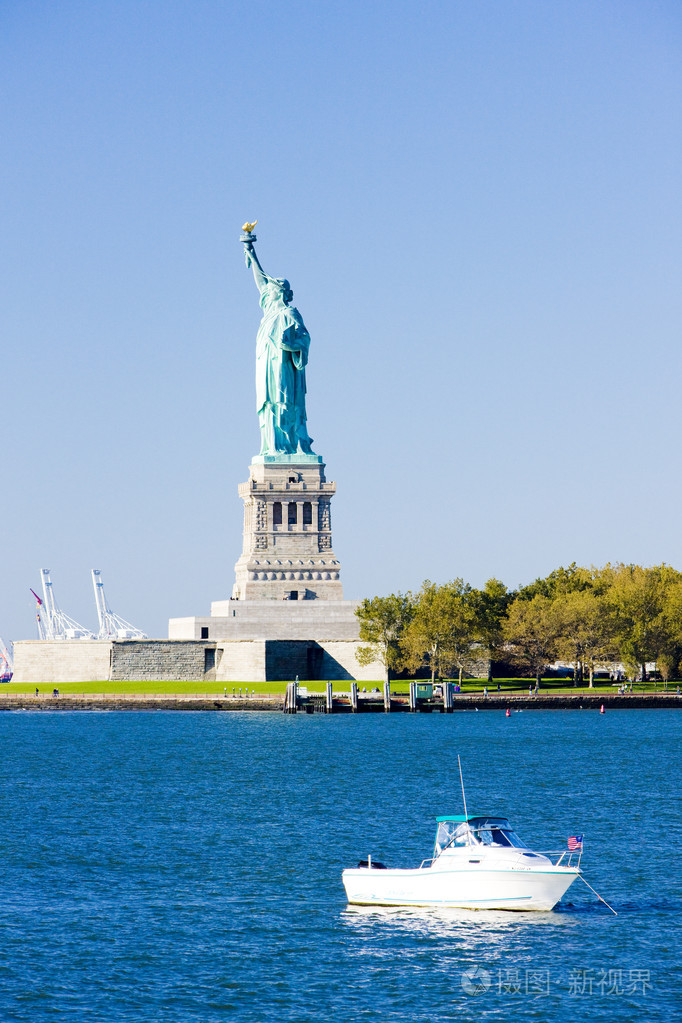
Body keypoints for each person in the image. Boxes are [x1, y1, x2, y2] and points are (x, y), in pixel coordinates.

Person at [243, 239, 315, 457]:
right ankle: (273, 446)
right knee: (268, 405)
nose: (266, 291)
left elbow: (305, 339)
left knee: (283, 403)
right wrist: (251, 253)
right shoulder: (269, 313)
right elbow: (260, 282)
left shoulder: (289, 314)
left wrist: (290, 343)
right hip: (265, 367)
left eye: (271, 289)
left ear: (280, 292)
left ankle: (288, 446)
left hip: (282, 369)